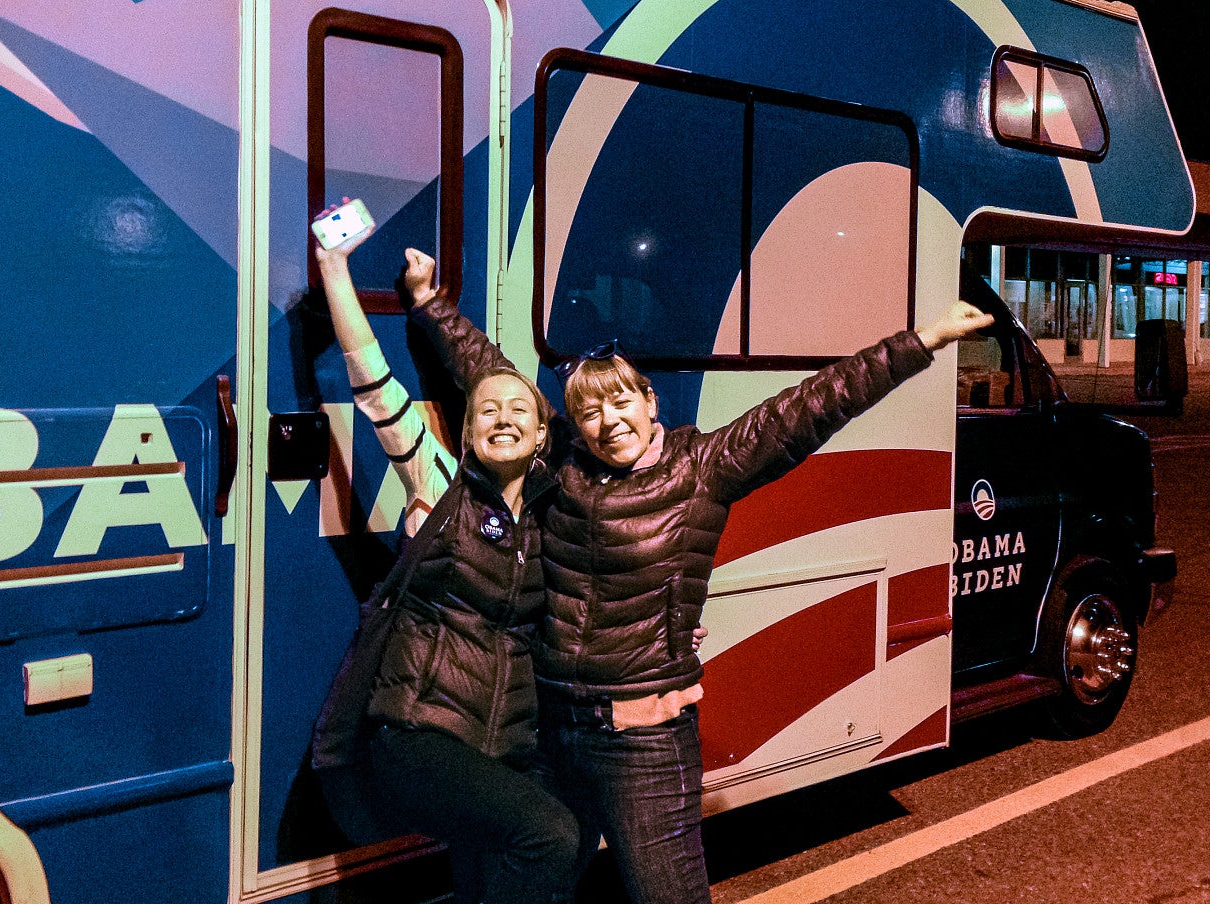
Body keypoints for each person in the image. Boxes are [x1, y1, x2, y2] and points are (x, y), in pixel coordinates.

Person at [401, 246, 991, 904]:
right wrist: (429, 304)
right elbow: (492, 377)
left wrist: (923, 341)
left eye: (621, 401)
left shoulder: (702, 468)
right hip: (552, 729)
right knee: (527, 882)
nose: (608, 421)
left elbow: (811, 406)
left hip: (644, 745)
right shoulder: (563, 461)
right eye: (590, 410)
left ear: (650, 402)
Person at [313, 213, 578, 904]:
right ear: (465, 430)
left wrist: (436, 306)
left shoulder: (555, 515)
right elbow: (372, 382)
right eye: (487, 409)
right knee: (551, 836)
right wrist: (335, 269)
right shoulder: (438, 483)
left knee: (503, 862)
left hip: (504, 741)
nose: (502, 416)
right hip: (419, 733)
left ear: (542, 431)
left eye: (520, 408)